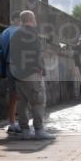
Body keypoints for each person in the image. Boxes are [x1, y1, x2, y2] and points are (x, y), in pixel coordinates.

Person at [10, 10, 54, 140]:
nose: (36, 20)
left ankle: (25, 131)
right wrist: (40, 68)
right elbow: (36, 53)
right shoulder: (32, 34)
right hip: (31, 73)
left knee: (22, 103)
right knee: (38, 101)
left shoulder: (15, 34)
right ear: (30, 19)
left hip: (18, 73)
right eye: (34, 18)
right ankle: (39, 130)